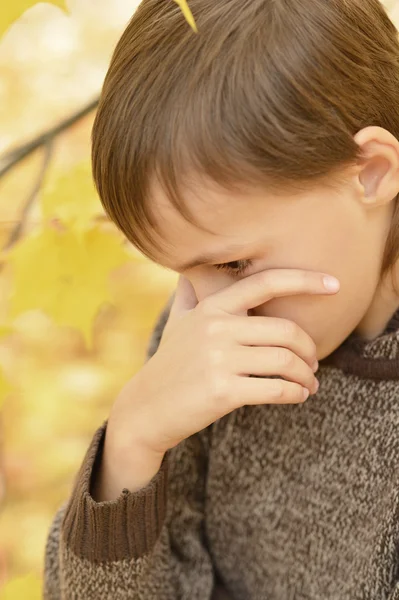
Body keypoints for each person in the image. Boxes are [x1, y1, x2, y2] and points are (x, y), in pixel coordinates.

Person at [43, 0, 399, 598]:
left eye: (234, 264)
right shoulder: (208, 334)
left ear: (369, 172)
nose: (209, 309)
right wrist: (132, 445)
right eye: (184, 272)